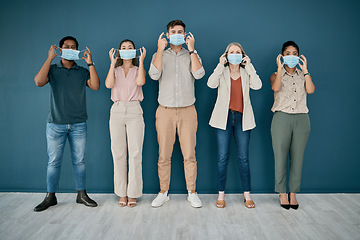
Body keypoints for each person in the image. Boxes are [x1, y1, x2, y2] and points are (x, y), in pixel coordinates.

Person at [33, 36, 100, 212]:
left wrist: (90, 63)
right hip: (55, 123)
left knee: (79, 161)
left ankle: (81, 194)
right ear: (60, 50)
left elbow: (95, 86)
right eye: (66, 47)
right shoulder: (53, 70)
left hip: (78, 124)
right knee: (53, 161)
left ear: (77, 50)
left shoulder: (82, 71)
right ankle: (50, 196)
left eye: (73, 47)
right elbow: (39, 82)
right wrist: (49, 58)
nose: (69, 49)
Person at [148, 20, 205, 208]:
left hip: (188, 110)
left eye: (180, 31)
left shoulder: (192, 55)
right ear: (167, 34)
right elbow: (154, 75)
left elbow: (199, 74)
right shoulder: (160, 55)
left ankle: (192, 192)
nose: (177, 34)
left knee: (189, 154)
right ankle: (163, 192)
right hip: (165, 111)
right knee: (164, 155)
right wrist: (158, 49)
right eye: (174, 31)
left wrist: (193, 49)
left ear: (186, 34)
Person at [208, 42, 262, 208]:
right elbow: (210, 83)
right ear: (226, 55)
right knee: (222, 158)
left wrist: (250, 66)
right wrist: (219, 65)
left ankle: (247, 194)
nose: (235, 54)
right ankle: (221, 195)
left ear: (243, 55)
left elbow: (258, 86)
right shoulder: (222, 71)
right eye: (231, 52)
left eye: (238, 52)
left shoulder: (247, 73)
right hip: (223, 119)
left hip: (242, 119)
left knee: (243, 158)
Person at [270, 41, 315, 210]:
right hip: (281, 117)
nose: (291, 56)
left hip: (302, 118)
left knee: (297, 158)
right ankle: (282, 193)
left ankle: (293, 194)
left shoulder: (304, 75)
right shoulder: (275, 74)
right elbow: (276, 87)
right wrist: (280, 69)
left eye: (294, 53)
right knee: (280, 157)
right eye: (287, 53)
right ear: (282, 56)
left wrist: (306, 71)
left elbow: (310, 90)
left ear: (298, 56)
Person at [105, 39, 146, 207]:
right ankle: (122, 193)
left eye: (130, 47)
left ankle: (133, 193)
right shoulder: (115, 70)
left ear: (135, 51)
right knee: (118, 153)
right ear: (119, 51)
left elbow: (140, 82)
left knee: (135, 153)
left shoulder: (138, 70)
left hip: (135, 110)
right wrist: (112, 63)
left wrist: (142, 61)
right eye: (124, 48)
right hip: (117, 110)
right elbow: (108, 84)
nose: (127, 50)